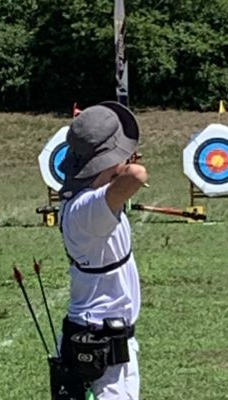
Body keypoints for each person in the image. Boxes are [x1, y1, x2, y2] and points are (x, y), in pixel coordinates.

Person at [57, 101, 147, 400]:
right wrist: (121, 167)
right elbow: (137, 175)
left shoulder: (90, 200)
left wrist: (114, 168)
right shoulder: (87, 209)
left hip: (101, 338)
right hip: (101, 346)